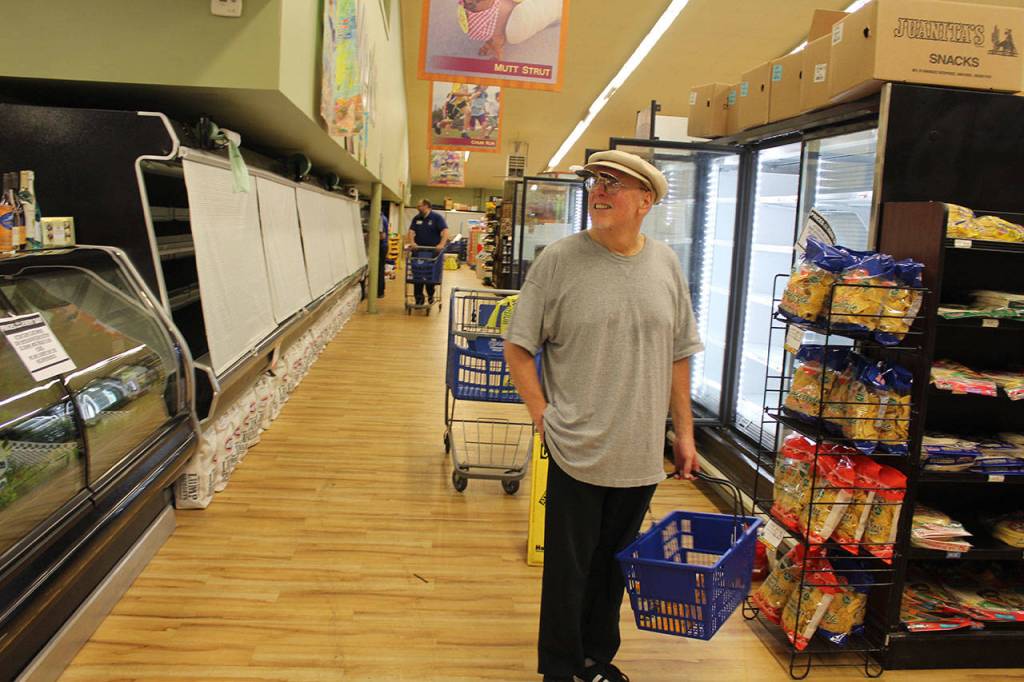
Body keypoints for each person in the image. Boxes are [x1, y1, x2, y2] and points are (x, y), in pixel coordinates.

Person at [503, 150, 703, 682]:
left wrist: (684, 435)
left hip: (639, 450)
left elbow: (679, 354)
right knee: (568, 570)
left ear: (645, 201)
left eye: (614, 183)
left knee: (614, 566)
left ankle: (596, 658)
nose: (600, 190)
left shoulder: (666, 264)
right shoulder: (559, 261)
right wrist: (542, 414)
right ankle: (560, 668)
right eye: (596, 181)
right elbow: (518, 346)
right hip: (576, 445)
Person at [407, 200, 449, 305]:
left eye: (419, 206)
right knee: (417, 276)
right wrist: (412, 242)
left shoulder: (437, 218)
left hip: (432, 253)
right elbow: (411, 231)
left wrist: (441, 244)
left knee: (430, 276)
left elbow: (445, 231)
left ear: (426, 206)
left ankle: (430, 295)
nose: (417, 208)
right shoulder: (416, 218)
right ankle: (419, 299)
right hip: (418, 252)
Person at [377, 210, 389, 298]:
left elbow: (382, 236)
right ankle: (381, 290)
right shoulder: (383, 217)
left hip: (381, 246)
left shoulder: (380, 218)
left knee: (379, 269)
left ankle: (380, 292)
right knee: (381, 268)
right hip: (383, 246)